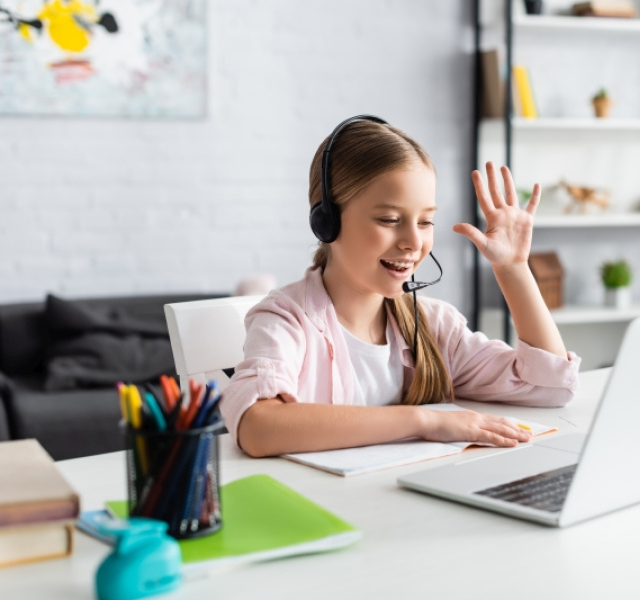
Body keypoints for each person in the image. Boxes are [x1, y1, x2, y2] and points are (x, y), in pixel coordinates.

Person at [222, 115, 581, 458]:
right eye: (390, 220)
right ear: (326, 222)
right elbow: (257, 426)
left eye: (426, 222)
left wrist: (513, 269)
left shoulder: (431, 325)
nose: (413, 241)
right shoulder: (286, 320)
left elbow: (550, 387)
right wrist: (424, 420)